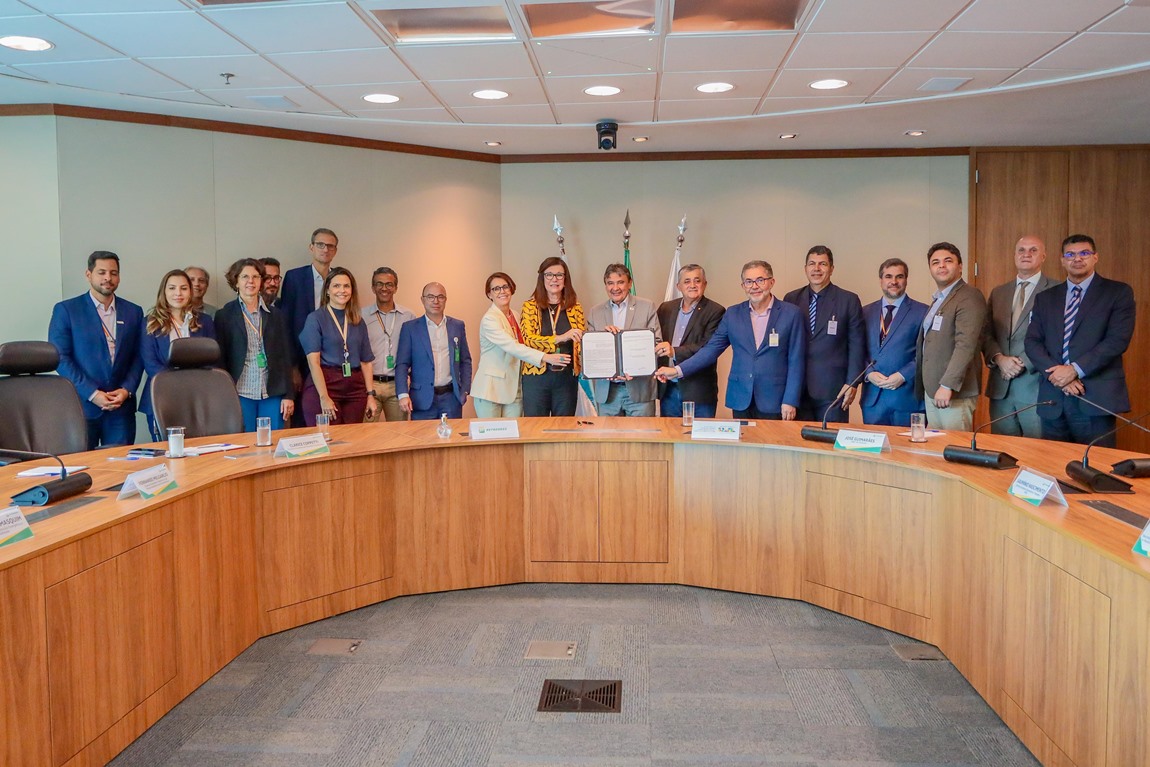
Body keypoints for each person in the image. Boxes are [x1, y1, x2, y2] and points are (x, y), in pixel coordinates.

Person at [657, 260, 805, 420]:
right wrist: (677, 371)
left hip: (775, 399)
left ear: (771, 282)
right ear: (743, 286)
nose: (754, 286)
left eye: (760, 280)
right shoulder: (733, 314)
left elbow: (796, 360)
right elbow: (710, 350)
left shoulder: (791, 314)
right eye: (749, 281)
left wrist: (790, 400)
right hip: (741, 398)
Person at [1025, 234, 1136, 447]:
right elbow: (1032, 342)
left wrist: (1074, 370)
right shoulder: (1045, 298)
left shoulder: (1118, 292)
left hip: (1095, 398)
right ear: (1062, 260)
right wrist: (1058, 375)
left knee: (1096, 463)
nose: (1077, 258)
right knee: (1053, 462)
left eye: (1084, 253)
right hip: (1053, 398)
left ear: (1095, 257)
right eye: (1070, 254)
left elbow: (1117, 340)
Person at [48, 250, 145, 449]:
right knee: (84, 465)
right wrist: (93, 394)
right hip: (83, 406)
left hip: (120, 407)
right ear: (88, 274)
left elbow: (138, 356)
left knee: (121, 464)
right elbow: (60, 357)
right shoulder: (67, 310)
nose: (108, 278)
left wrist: (126, 390)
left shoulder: (133, 311)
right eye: (101, 272)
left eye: (113, 273)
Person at [982, 236, 1057, 437]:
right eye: (1021, 250)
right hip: (1001, 387)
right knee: (1002, 450)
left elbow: (1056, 336)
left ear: (1043, 256)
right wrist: (999, 359)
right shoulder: (999, 292)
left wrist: (1021, 363)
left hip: (1035, 386)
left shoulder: (1056, 290)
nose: (1026, 254)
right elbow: (986, 333)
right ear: (1014, 255)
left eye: (1033, 250)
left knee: (1037, 451)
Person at [782, 245, 866, 423]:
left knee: (830, 439)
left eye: (823, 264)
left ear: (832, 268)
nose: (816, 269)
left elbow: (857, 346)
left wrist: (852, 382)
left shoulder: (848, 300)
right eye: (812, 264)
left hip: (834, 390)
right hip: (797, 390)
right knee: (798, 438)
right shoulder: (791, 299)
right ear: (805, 268)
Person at [472, 272, 570, 418]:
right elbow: (512, 346)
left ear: (511, 289)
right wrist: (545, 357)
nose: (502, 291)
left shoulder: (516, 315)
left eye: (505, 287)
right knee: (491, 433)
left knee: (515, 432)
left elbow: (529, 341)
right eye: (496, 289)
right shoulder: (489, 319)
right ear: (489, 294)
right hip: (491, 390)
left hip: (514, 388)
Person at [214, 258, 296, 432]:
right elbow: (220, 359)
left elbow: (285, 357)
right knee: (245, 441)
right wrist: (223, 395)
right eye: (245, 277)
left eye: (256, 277)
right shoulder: (224, 315)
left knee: (273, 441)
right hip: (240, 392)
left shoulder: (276, 315)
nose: (250, 281)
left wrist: (289, 395)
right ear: (236, 282)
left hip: (272, 391)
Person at [914, 242, 987, 432]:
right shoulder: (939, 299)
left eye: (948, 261)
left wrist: (947, 385)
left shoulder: (969, 296)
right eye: (935, 262)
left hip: (953, 392)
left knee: (955, 445)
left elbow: (966, 345)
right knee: (936, 446)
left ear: (960, 266)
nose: (941, 266)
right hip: (934, 391)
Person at [140, 269, 216, 440]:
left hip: (197, 398)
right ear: (164, 291)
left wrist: (192, 386)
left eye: (183, 288)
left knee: (198, 448)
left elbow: (211, 359)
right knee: (167, 450)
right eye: (172, 288)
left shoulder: (205, 321)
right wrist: (179, 386)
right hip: (162, 397)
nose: (178, 293)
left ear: (190, 291)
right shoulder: (150, 322)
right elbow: (150, 363)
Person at [300, 266, 378, 425]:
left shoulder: (357, 320)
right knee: (328, 437)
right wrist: (324, 397)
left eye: (346, 286)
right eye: (336, 286)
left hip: (355, 388)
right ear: (327, 290)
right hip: (326, 384)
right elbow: (314, 363)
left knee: (351, 437)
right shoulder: (315, 318)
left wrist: (370, 395)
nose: (342, 290)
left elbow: (366, 362)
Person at [586, 264, 663, 417]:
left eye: (620, 282)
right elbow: (590, 352)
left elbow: (656, 344)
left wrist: (634, 367)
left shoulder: (647, 307)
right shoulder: (595, 312)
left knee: (643, 433)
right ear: (605, 285)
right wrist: (604, 339)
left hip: (639, 390)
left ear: (630, 283)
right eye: (610, 283)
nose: (615, 288)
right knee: (608, 433)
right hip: (607, 392)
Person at [860, 258, 928, 426]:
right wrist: (868, 373)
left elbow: (927, 353)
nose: (894, 281)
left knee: (907, 444)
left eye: (899, 276)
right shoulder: (864, 312)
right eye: (888, 276)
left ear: (906, 280)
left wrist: (904, 375)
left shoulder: (923, 312)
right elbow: (857, 350)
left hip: (907, 398)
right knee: (873, 444)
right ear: (881, 280)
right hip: (873, 400)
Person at [655, 264, 725, 419]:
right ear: (678, 286)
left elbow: (707, 347)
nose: (692, 285)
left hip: (698, 391)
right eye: (687, 281)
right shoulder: (666, 308)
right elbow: (656, 340)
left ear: (704, 284)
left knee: (700, 434)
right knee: (670, 432)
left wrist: (674, 351)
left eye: (697, 280)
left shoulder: (716, 311)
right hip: (668, 388)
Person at [396, 282, 472, 420]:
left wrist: (465, 389)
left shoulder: (457, 326)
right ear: (422, 299)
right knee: (423, 434)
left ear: (445, 299)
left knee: (452, 433)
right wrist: (403, 394)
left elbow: (465, 360)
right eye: (430, 297)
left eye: (440, 297)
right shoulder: (410, 328)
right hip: (421, 399)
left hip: (451, 398)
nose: (435, 301)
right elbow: (402, 364)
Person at [520, 257, 586, 417]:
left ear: (565, 279)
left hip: (566, 378)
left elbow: (581, 341)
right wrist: (561, 338)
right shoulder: (529, 306)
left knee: (564, 427)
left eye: (559, 275)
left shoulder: (575, 307)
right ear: (542, 278)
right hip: (536, 377)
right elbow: (528, 339)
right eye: (549, 275)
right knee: (535, 426)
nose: (554, 279)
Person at [363, 267, 416, 422]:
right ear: (373, 288)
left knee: (398, 432)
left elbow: (414, 352)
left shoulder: (408, 316)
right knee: (366, 431)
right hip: (370, 385)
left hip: (397, 385)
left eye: (389, 284)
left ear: (395, 288)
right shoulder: (361, 316)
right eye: (379, 284)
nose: (384, 288)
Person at [281, 228, 339, 365]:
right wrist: (292, 365)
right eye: (320, 245)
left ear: (335, 251)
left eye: (330, 246)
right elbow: (286, 322)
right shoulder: (294, 277)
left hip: (334, 355)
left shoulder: (340, 279)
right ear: (311, 247)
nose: (325, 249)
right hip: (302, 353)